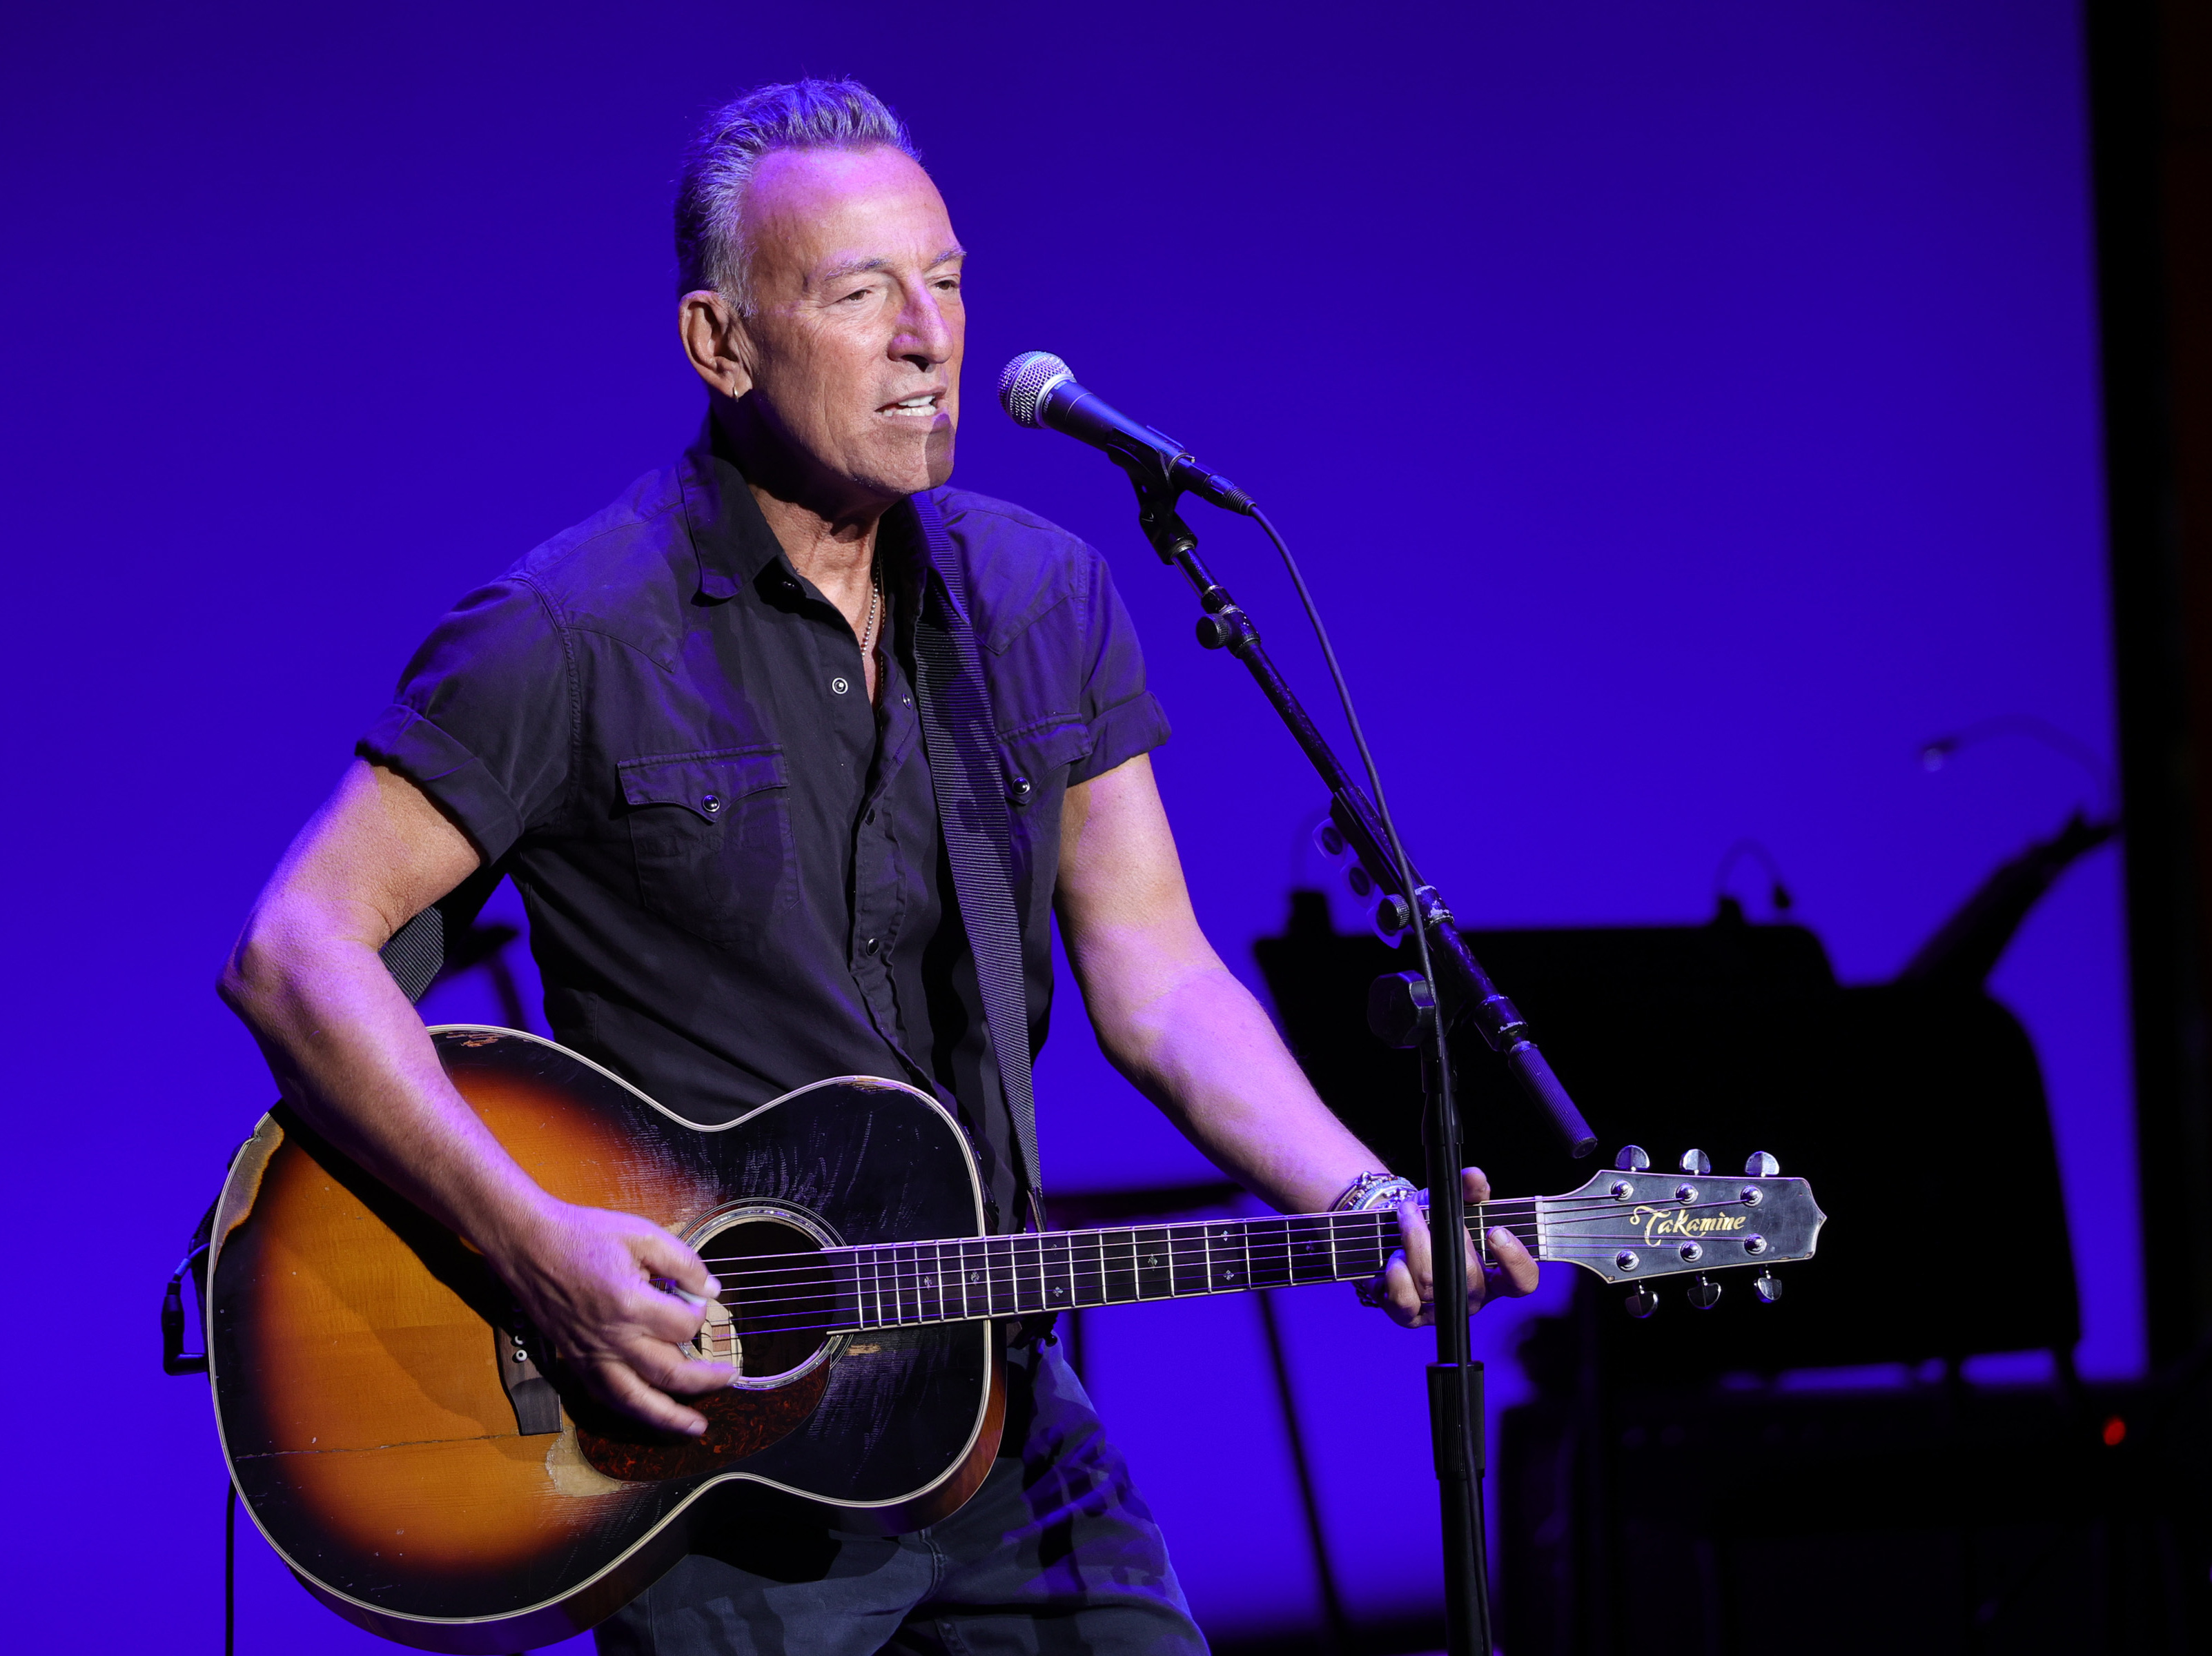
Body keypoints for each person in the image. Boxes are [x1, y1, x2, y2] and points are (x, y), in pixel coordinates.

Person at [219, 79, 1538, 1655]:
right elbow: (297, 950)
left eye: (950, 281)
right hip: (707, 1450)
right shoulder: (569, 633)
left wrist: (1367, 1194)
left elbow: (1160, 980)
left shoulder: (1043, 597)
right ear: (721, 343)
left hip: (994, 1402)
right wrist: (534, 1246)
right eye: (862, 295)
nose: (931, 336)